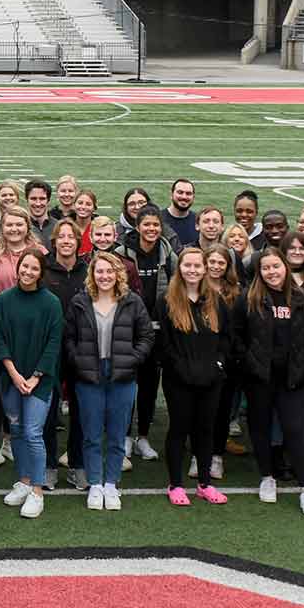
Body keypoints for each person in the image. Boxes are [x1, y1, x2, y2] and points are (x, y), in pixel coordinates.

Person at [237, 250, 304, 517]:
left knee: (294, 430)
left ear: (285, 267)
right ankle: (267, 477)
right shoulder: (248, 299)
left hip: (293, 378)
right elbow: (237, 337)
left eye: (276, 266)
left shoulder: (303, 299)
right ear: (259, 272)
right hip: (260, 377)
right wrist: (249, 362)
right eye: (265, 268)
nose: (272, 272)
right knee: (260, 427)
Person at [65, 250, 150, 513]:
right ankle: (94, 484)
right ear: (92, 274)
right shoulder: (80, 302)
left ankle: (111, 483)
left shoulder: (132, 301)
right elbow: (69, 338)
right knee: (90, 434)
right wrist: (78, 360)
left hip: (121, 375)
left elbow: (146, 336)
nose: (104, 276)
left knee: (116, 434)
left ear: (118, 274)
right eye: (99, 271)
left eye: (109, 271)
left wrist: (132, 359)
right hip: (89, 375)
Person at [0, 252, 62, 519]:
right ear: (17, 268)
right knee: (17, 431)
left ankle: (37, 491)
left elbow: (53, 344)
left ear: (41, 272)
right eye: (25, 267)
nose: (28, 272)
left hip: (39, 382)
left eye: (34, 268)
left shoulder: (51, 303)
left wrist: (35, 377)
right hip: (11, 379)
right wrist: (13, 373)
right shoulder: (4, 301)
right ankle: (22, 481)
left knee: (33, 432)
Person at [157, 248, 228, 506]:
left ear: (205, 269)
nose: (193, 270)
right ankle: (175, 484)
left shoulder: (215, 301)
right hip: (180, 380)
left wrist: (218, 365)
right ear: (180, 267)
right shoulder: (167, 301)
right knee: (179, 429)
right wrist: (182, 369)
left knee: (205, 431)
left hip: (211, 380)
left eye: (198, 265)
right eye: (188, 265)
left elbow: (226, 339)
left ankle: (205, 483)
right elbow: (164, 344)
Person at [125, 210, 176, 465]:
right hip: (127, 329)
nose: (152, 229)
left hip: (156, 330)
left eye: (156, 224)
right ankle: (124, 437)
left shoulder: (168, 253)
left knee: (148, 385)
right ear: (138, 226)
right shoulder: (122, 251)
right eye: (147, 224)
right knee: (125, 384)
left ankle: (142, 437)